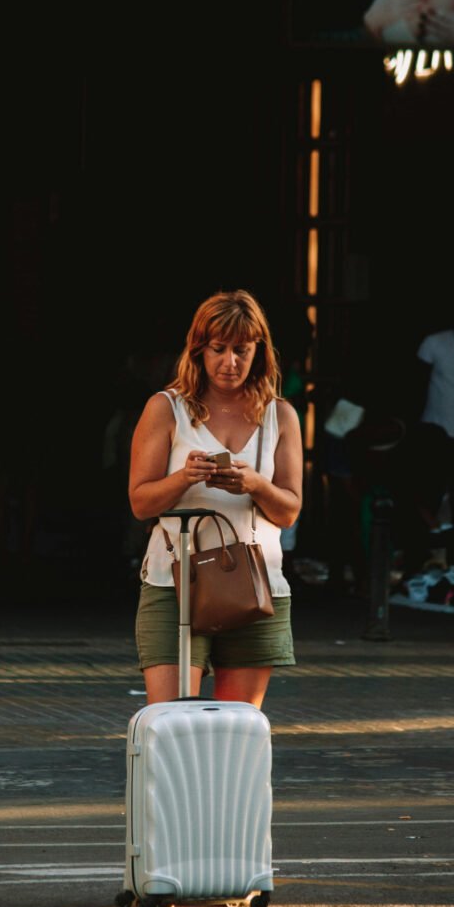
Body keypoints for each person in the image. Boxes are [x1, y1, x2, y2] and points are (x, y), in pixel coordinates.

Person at [128, 289, 303, 707]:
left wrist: (256, 485)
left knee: (238, 726)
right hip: (174, 579)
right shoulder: (166, 408)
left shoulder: (280, 414)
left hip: (253, 583)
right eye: (219, 349)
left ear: (259, 351)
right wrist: (183, 478)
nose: (230, 363)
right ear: (199, 350)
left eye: (241, 350)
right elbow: (140, 503)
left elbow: (290, 511)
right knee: (171, 722)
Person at [402, 315, 454, 573]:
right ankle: (415, 561)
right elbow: (414, 385)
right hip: (435, 432)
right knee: (427, 497)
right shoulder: (435, 344)